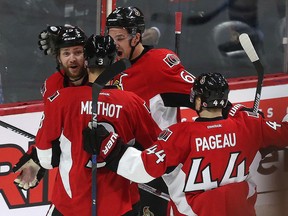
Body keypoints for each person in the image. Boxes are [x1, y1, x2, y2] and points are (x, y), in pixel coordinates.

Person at [85, 72, 288, 216]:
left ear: (198, 101)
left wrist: (109, 145)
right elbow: (284, 133)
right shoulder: (249, 125)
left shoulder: (180, 134)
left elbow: (142, 168)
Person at [15, 34, 161, 215]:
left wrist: (59, 152)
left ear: (86, 61)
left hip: (71, 205)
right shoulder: (133, 103)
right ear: (115, 61)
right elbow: (156, 152)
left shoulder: (61, 100)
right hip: (121, 205)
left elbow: (46, 159)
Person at [105, 6, 196, 215]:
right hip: (122, 163)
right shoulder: (108, 68)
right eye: (111, 38)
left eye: (120, 38)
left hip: (155, 164)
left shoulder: (157, 65)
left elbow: (202, 97)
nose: (114, 44)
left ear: (136, 37)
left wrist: (236, 117)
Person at [13, 24, 89, 190]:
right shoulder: (53, 85)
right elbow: (50, 128)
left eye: (78, 52)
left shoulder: (101, 78)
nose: (72, 58)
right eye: (66, 53)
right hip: (73, 168)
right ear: (58, 58)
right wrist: (36, 159)